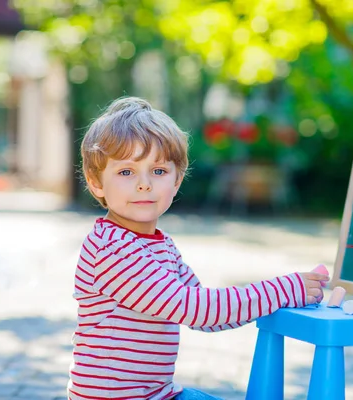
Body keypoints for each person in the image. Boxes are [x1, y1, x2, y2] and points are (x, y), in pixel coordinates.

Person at [68, 96, 329, 400]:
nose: (144, 184)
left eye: (158, 171)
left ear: (176, 180)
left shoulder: (161, 246)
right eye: (126, 172)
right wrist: (283, 289)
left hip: (158, 393)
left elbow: (208, 316)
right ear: (96, 182)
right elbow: (196, 308)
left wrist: (280, 299)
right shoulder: (113, 248)